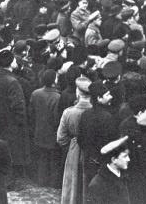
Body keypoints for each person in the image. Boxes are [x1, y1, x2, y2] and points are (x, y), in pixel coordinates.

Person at [0, 48, 30, 184]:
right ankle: (10, 181)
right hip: (13, 123)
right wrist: (22, 122)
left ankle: (3, 178)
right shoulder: (13, 81)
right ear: (11, 63)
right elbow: (18, 106)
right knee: (13, 151)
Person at [58, 76, 93, 204]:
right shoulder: (96, 112)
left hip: (74, 151)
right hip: (92, 151)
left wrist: (71, 146)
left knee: (72, 186)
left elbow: (61, 138)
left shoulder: (68, 112)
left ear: (78, 92)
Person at [29, 68, 62, 187]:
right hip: (52, 133)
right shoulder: (57, 97)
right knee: (53, 159)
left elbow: (31, 114)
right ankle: (53, 182)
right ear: (54, 81)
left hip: (39, 130)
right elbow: (56, 118)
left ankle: (41, 180)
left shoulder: (35, 93)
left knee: (42, 158)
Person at [87, 136, 131, 204]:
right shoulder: (97, 184)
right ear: (113, 160)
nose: (128, 159)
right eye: (125, 156)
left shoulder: (124, 178)